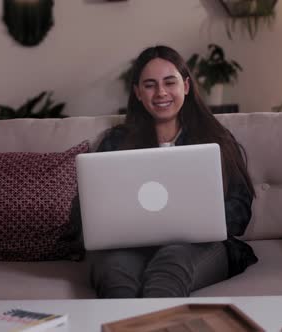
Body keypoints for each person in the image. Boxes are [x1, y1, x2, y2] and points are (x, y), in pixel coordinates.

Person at [89, 45, 257, 298]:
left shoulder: (215, 139)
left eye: (170, 82)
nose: (161, 93)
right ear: (137, 92)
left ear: (186, 86)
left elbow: (240, 210)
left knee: (170, 267)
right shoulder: (115, 142)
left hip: (198, 246)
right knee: (115, 275)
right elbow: (91, 209)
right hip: (131, 247)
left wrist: (202, 219)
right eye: (149, 85)